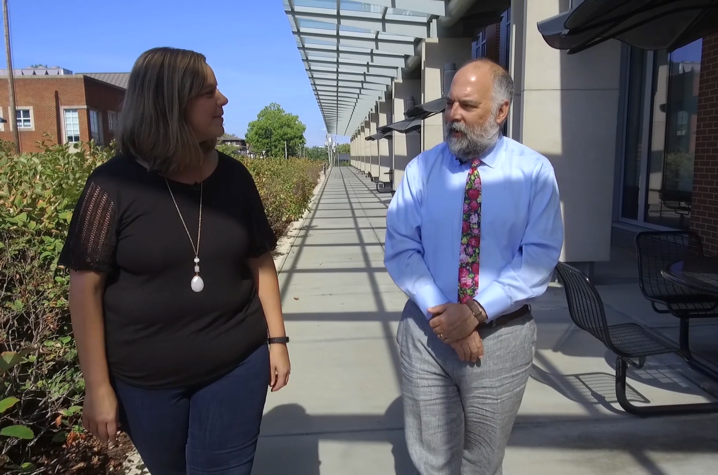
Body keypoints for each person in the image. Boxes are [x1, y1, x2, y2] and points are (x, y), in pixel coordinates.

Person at [58, 47, 291, 475]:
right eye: (209, 92)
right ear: (169, 104)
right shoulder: (111, 185)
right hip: (146, 384)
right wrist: (97, 386)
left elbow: (260, 262)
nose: (223, 100)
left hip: (237, 365)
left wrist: (277, 341)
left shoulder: (235, 178)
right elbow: (84, 286)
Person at [384, 58, 564, 474]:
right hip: (427, 333)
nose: (453, 116)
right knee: (433, 459)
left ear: (501, 111)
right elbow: (401, 248)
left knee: (482, 462)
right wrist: (446, 316)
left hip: (500, 339)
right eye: (450, 105)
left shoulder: (534, 172)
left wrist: (476, 312)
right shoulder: (421, 172)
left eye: (467, 105)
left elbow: (539, 256)